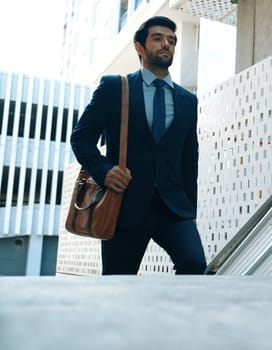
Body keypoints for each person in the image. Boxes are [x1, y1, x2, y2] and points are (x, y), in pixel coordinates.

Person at [70, 16, 207, 275]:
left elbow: (190, 158)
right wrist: (104, 170)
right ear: (139, 47)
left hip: (173, 208)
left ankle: (172, 315)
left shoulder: (188, 100)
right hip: (124, 205)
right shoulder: (114, 88)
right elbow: (81, 137)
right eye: (158, 38)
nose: (166, 44)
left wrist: (190, 210)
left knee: (194, 264)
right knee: (118, 280)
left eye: (172, 40)